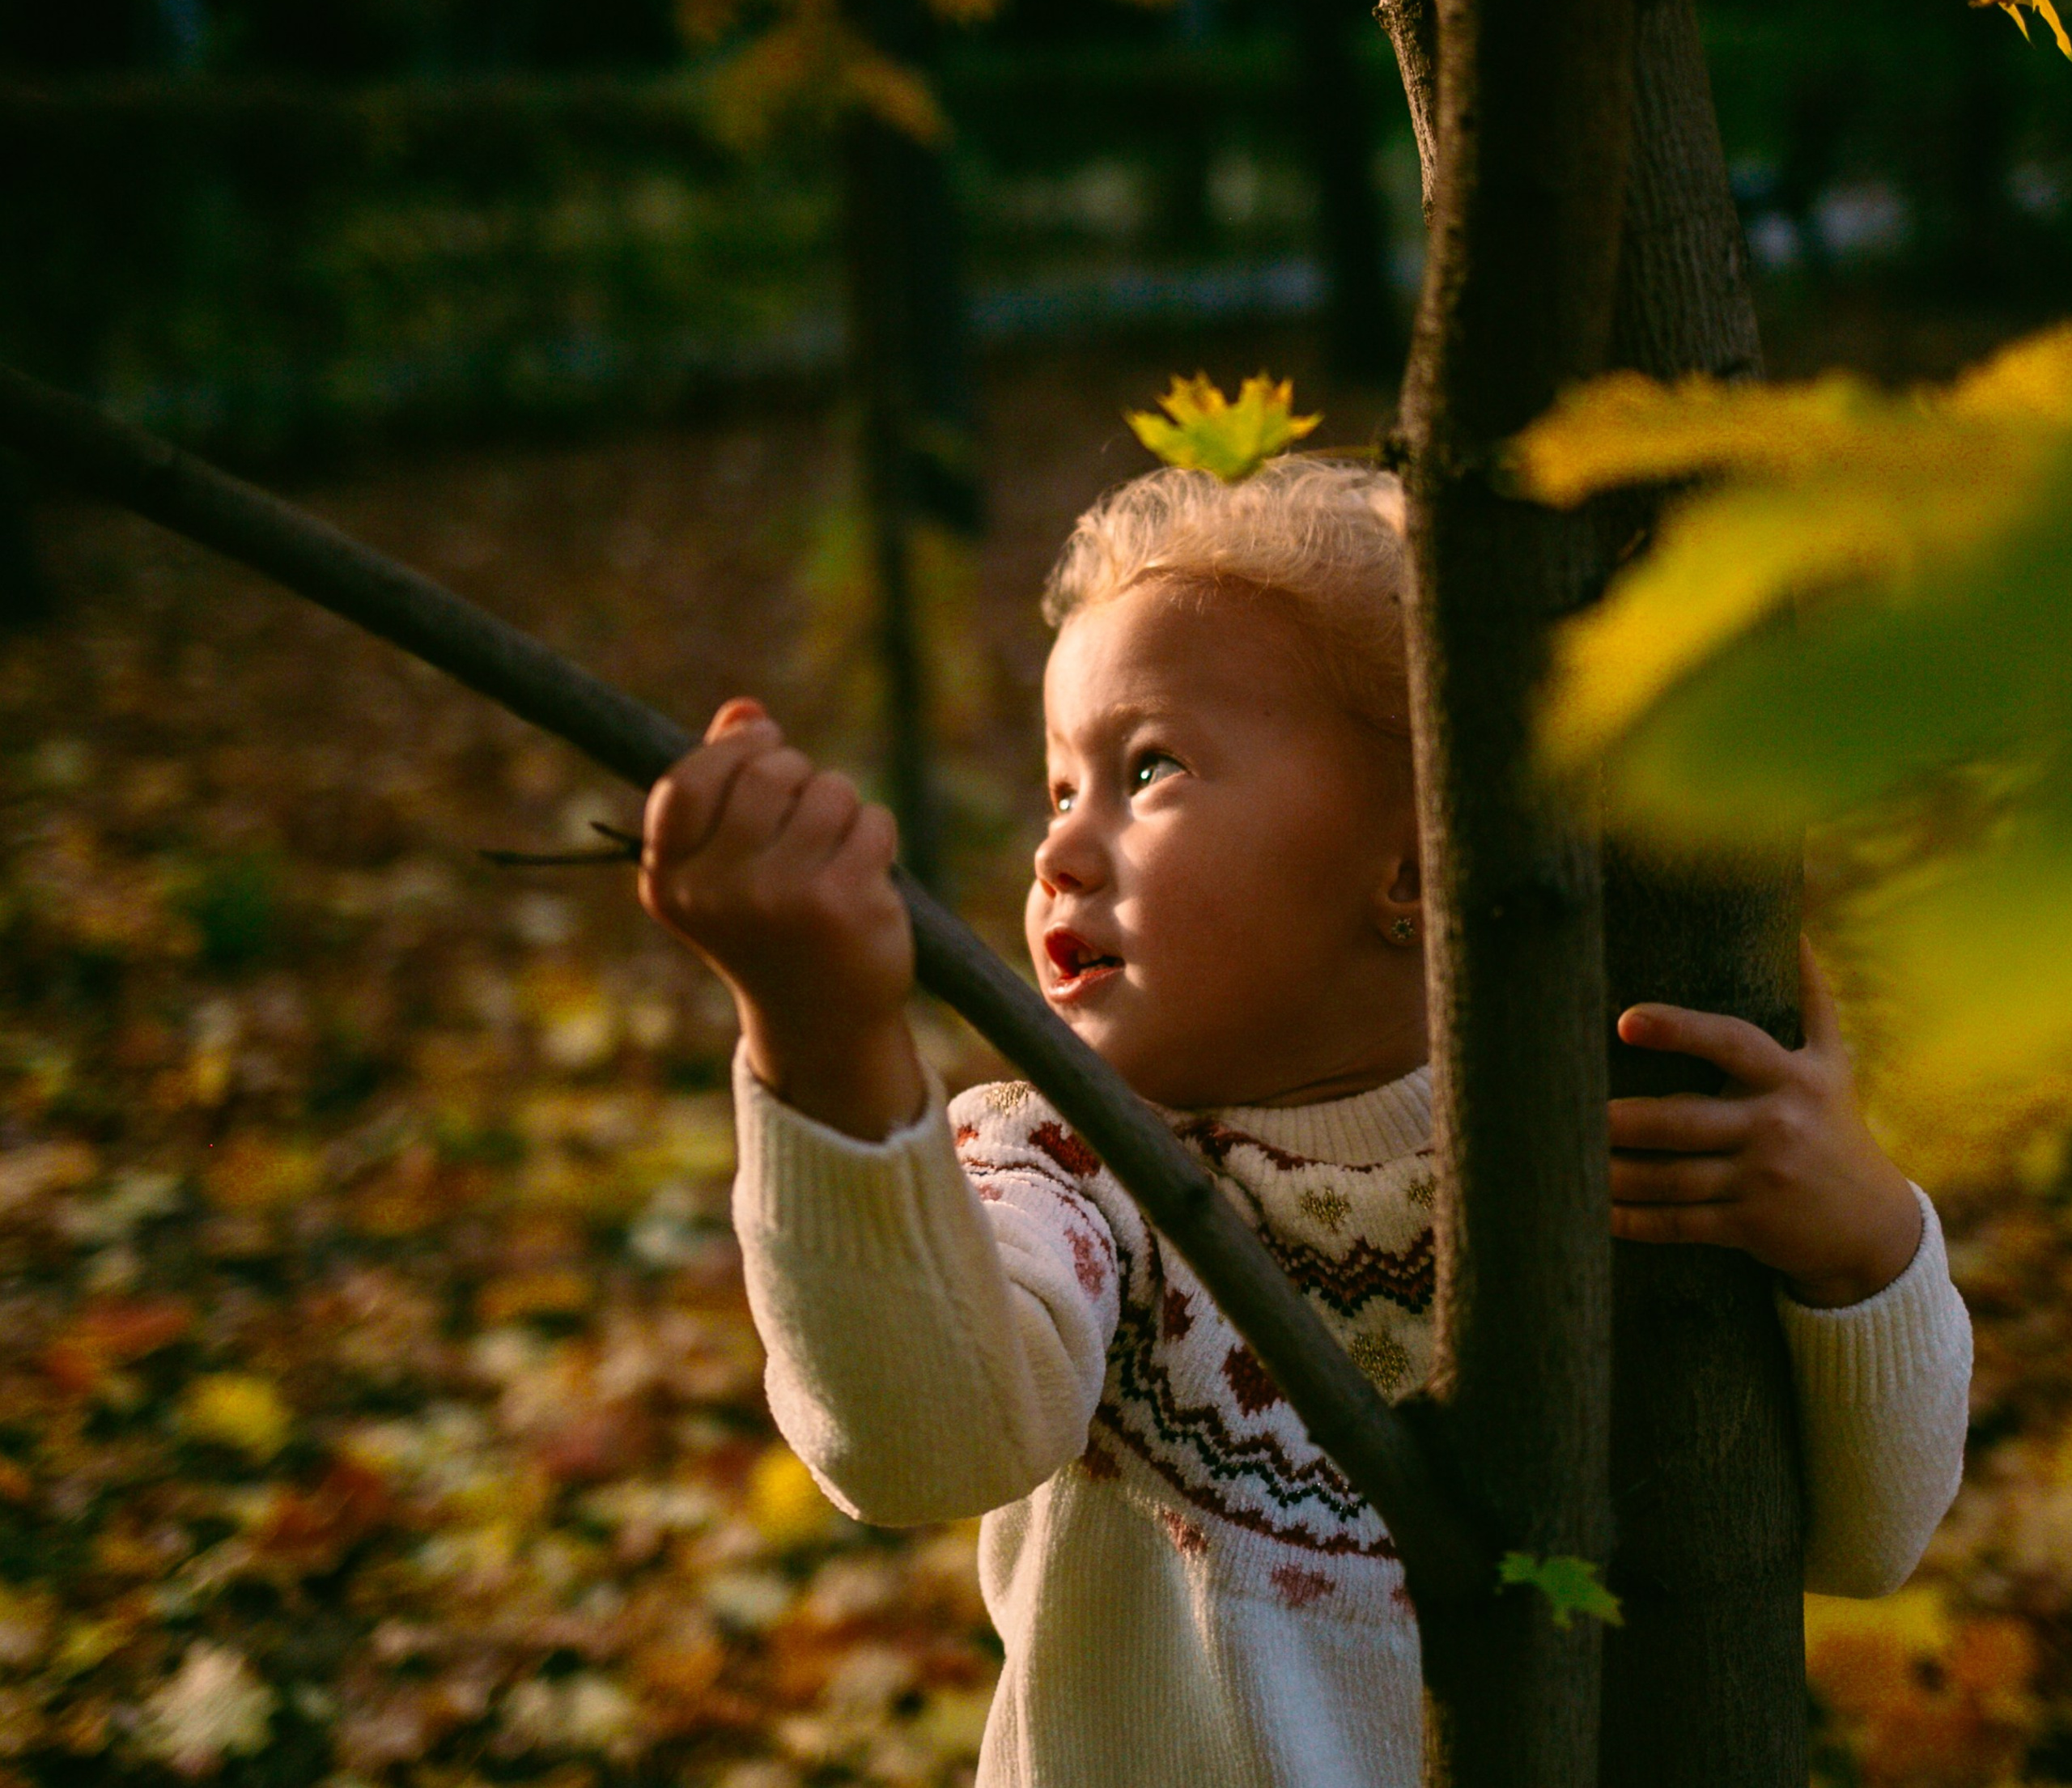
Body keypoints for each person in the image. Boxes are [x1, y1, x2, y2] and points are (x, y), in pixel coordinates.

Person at [636, 457, 1971, 1788]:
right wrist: (824, 1046)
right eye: (1060, 789)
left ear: (1418, 863)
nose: (1058, 852)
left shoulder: (1603, 1169)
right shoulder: (1068, 1174)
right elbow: (920, 1441)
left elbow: (1868, 1540)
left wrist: (1861, 1248)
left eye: (1148, 769)